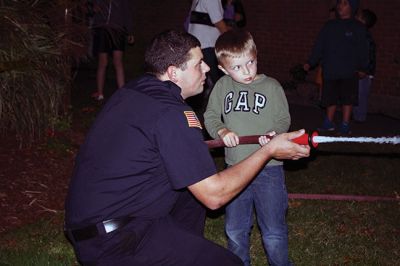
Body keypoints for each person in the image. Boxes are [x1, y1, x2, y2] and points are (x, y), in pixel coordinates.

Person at [64, 29, 310, 265]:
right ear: (173, 73)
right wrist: (268, 150)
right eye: (199, 63)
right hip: (117, 240)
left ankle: (184, 248)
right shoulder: (172, 114)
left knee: (189, 193)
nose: (206, 68)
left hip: (92, 223)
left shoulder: (132, 91)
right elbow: (215, 196)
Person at [204, 29, 292, 266]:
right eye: (238, 67)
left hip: (269, 168)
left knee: (273, 231)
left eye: (250, 62)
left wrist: (275, 135)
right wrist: (221, 131)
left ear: (256, 56)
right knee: (235, 229)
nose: (247, 71)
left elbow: (283, 119)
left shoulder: (272, 86)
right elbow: (211, 116)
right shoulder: (222, 87)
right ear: (223, 69)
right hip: (235, 168)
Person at [303, 0, 368, 135]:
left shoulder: (358, 28)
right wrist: (311, 61)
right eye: (340, 3)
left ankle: (345, 124)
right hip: (331, 69)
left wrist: (363, 67)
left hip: (349, 70)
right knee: (330, 97)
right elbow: (319, 45)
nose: (340, 6)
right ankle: (328, 122)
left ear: (352, 7)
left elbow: (363, 49)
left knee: (347, 98)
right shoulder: (329, 26)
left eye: (345, 3)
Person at [187, 0, 231, 113]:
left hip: (198, 44)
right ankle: (221, 112)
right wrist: (231, 40)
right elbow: (217, 21)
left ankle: (204, 110)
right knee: (219, 82)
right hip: (208, 45)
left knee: (202, 80)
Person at [90, 0, 135, 101]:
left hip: (117, 30)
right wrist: (94, 9)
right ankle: (100, 93)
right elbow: (91, 9)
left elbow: (126, 13)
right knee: (103, 62)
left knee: (117, 62)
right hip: (102, 29)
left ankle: (122, 93)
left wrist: (130, 32)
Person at [352, 8, 377, 122]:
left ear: (363, 20)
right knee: (356, 95)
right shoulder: (360, 34)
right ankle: (356, 117)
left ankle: (360, 119)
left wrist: (365, 70)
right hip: (361, 70)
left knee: (361, 96)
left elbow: (368, 55)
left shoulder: (365, 36)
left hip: (364, 72)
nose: (355, 17)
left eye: (358, 16)